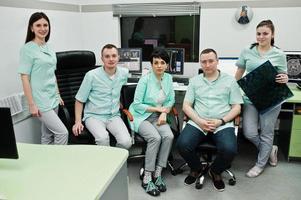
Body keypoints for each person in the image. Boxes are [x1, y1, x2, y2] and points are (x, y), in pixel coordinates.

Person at [177, 48, 243, 192]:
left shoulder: (230, 81)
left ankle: (215, 171)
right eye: (204, 62)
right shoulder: (194, 81)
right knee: (182, 144)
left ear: (217, 62)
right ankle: (196, 168)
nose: (207, 65)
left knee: (230, 149)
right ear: (200, 63)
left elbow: (237, 107)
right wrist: (199, 121)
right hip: (198, 122)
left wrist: (221, 121)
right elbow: (186, 106)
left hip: (221, 123)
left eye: (211, 61)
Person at [235, 20, 288, 177]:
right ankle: (270, 149)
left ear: (272, 35)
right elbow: (239, 72)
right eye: (258, 33)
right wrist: (232, 89)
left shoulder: (279, 54)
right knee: (249, 132)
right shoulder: (247, 50)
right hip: (251, 97)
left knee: (266, 133)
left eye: (265, 33)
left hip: (271, 98)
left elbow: (283, 75)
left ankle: (260, 164)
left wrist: (285, 78)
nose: (261, 36)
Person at [129, 49, 175, 196]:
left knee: (169, 136)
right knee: (155, 138)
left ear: (167, 65)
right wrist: (158, 109)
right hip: (141, 116)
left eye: (162, 63)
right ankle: (147, 177)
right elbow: (136, 104)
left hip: (158, 117)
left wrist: (163, 112)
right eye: (156, 63)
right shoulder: (145, 80)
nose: (159, 66)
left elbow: (171, 100)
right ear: (151, 64)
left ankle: (157, 173)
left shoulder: (168, 78)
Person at [18, 12, 68, 145]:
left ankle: (49, 163)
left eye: (45, 25)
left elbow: (52, 73)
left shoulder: (49, 47)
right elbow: (24, 78)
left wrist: (58, 94)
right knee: (62, 132)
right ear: (31, 28)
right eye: (38, 25)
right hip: (40, 100)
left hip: (53, 97)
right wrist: (31, 105)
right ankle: (59, 162)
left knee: (47, 134)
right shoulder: (27, 49)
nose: (43, 28)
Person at [72, 44, 132, 149]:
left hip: (113, 116)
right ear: (102, 59)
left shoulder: (124, 73)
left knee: (126, 142)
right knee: (103, 139)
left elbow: (120, 89)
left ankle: (114, 160)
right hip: (94, 116)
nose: (111, 59)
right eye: (107, 56)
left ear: (118, 57)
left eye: (114, 56)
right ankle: (106, 163)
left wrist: (118, 102)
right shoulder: (91, 75)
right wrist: (77, 122)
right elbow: (79, 100)